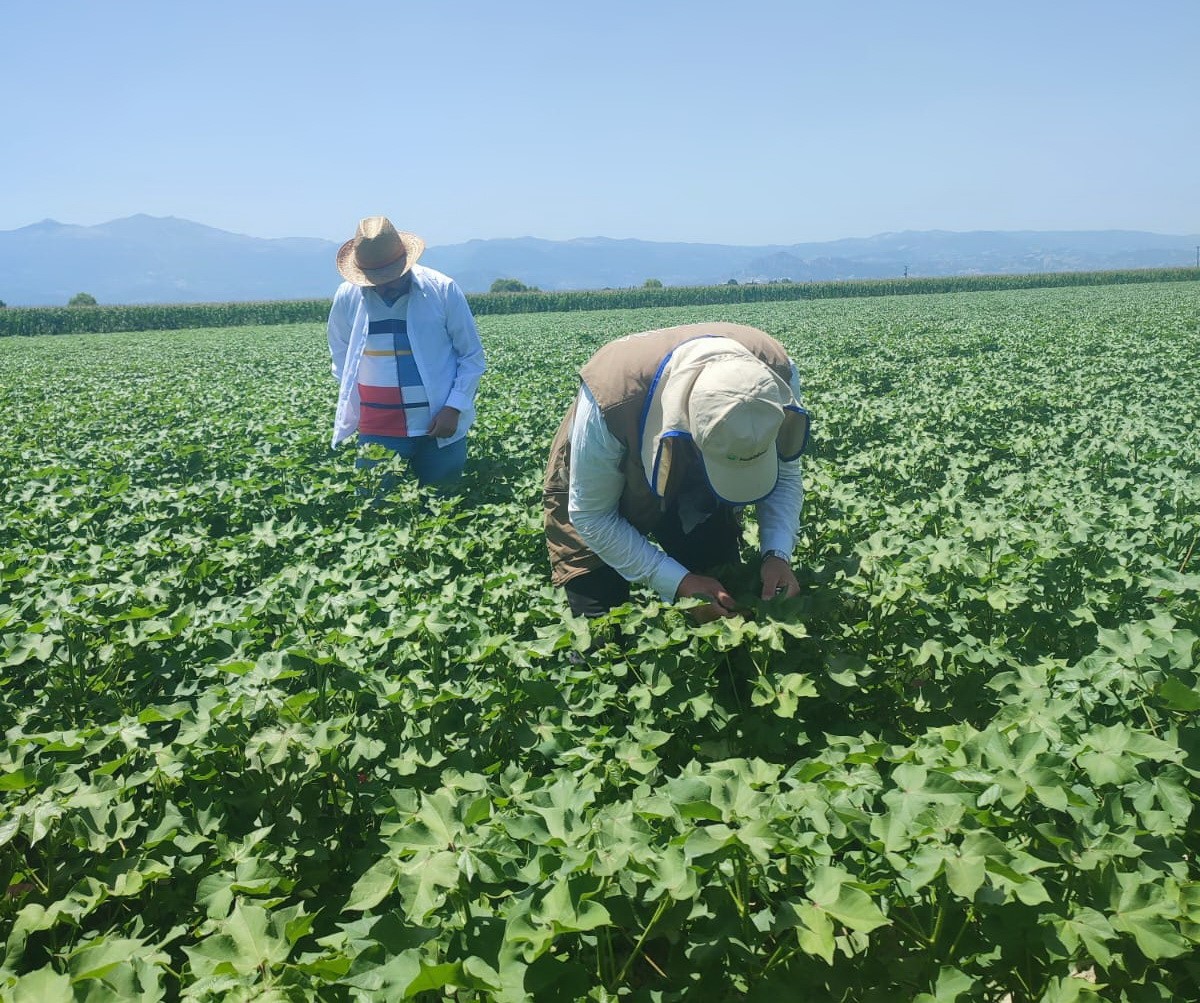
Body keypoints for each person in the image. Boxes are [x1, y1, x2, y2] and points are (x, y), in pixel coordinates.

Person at [544, 322, 810, 620]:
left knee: (725, 599)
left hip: (694, 483)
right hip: (602, 481)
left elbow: (785, 475)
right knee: (600, 628)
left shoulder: (776, 375)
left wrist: (777, 554)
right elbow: (592, 516)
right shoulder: (613, 397)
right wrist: (678, 582)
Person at [328, 216, 486, 489]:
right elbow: (340, 352)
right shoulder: (347, 297)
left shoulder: (441, 290)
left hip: (439, 425)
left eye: (390, 276)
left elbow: (471, 355)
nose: (384, 284)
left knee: (442, 509)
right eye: (375, 278)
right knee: (375, 511)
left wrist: (454, 407)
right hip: (376, 430)